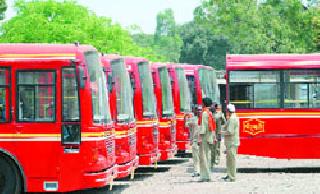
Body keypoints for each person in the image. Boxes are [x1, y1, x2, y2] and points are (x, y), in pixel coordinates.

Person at [221, 104, 240, 182]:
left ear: (228, 111)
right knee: (229, 160)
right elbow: (226, 126)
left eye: (226, 111)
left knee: (232, 160)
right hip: (230, 142)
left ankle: (232, 177)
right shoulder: (232, 118)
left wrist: (220, 132)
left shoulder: (232, 119)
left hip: (232, 142)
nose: (226, 112)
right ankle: (229, 175)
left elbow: (230, 131)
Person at [198, 97, 214, 182]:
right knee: (207, 156)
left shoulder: (204, 113)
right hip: (209, 137)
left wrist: (199, 137)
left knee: (203, 157)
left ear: (204, 104)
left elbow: (203, 127)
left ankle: (205, 176)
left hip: (204, 137)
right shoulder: (209, 113)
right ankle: (206, 175)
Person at [185, 112, 200, 177]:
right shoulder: (205, 120)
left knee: (196, 158)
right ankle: (202, 172)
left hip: (195, 141)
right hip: (203, 142)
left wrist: (187, 118)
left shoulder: (193, 120)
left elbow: (186, 125)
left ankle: (196, 171)